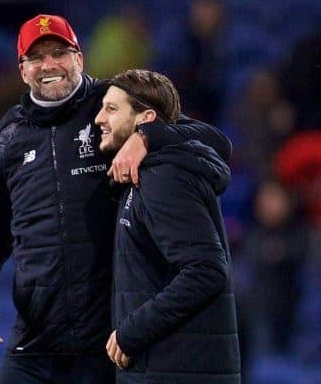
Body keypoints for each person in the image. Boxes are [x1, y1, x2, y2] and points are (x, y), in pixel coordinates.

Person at [0, 14, 231, 384]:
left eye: (59, 52)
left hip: (105, 343)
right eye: (36, 58)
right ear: (23, 71)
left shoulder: (111, 106)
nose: (49, 65)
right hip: (35, 344)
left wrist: (147, 136)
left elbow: (213, 141)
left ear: (79, 59)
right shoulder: (10, 137)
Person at [95, 69, 240, 384]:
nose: (98, 119)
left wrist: (131, 331)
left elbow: (206, 269)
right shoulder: (153, 168)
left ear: (144, 119)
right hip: (168, 367)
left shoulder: (163, 177)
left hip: (172, 369)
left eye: (111, 109)